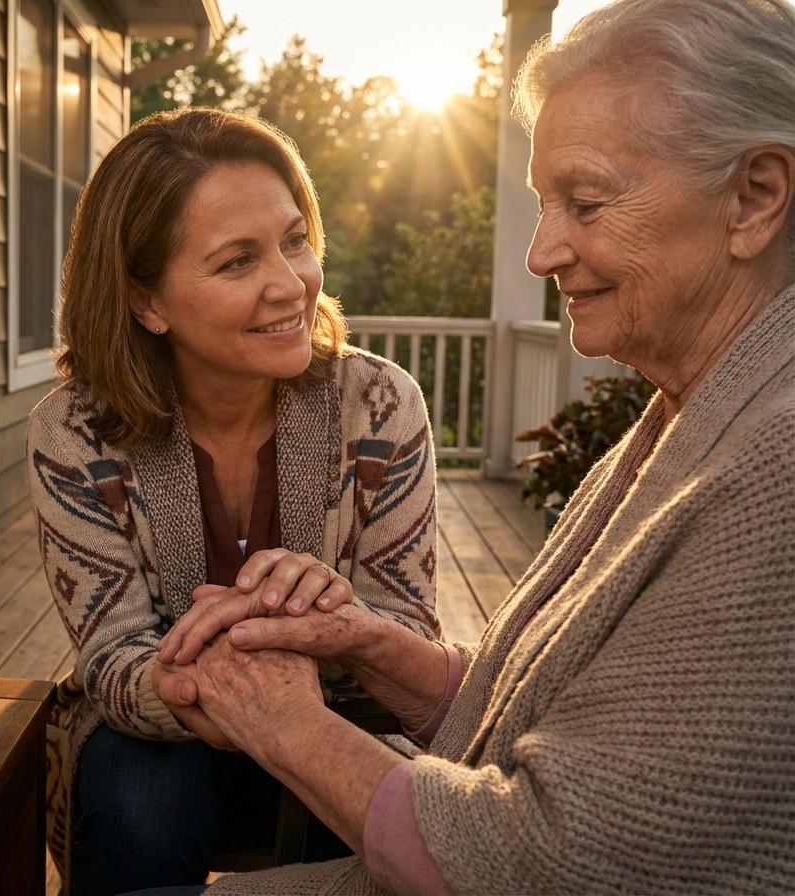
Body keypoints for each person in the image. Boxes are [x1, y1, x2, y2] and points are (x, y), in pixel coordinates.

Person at [154, 0, 795, 893]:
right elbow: (560, 718)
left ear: (755, 198)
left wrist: (286, 722)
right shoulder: (691, 414)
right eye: (544, 205)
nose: (541, 253)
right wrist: (371, 642)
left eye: (587, 201)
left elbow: (550, 860)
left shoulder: (776, 471)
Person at [26, 108, 442, 895]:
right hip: (165, 728)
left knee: (369, 809)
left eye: (294, 240)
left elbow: (411, 638)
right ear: (146, 301)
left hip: (346, 716)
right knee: (141, 801)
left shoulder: (381, 404)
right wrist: (203, 691)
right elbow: (112, 658)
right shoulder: (74, 431)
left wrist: (337, 623)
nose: (291, 285)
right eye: (236, 262)